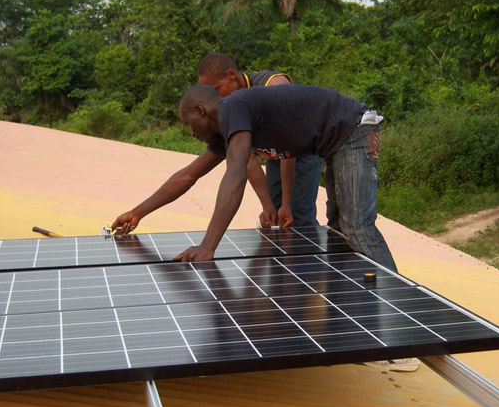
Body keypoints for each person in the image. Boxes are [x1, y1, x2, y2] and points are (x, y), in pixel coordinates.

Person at [112, 83, 398, 272]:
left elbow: (235, 175)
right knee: (338, 230)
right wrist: (137, 213)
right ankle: (354, 315)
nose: (190, 132)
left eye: (189, 123)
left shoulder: (233, 109)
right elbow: (188, 176)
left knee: (356, 228)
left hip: (354, 130)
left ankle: (401, 314)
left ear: (201, 110)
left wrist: (208, 246)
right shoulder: (227, 128)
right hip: (336, 142)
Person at [197, 53, 324, 227]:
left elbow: (289, 144)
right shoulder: (231, 107)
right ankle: (282, 252)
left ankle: (308, 252)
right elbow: (248, 158)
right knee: (275, 217)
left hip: (304, 148)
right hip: (275, 152)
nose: (217, 98)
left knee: (298, 214)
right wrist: (267, 205)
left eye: (217, 89)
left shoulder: (274, 86)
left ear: (231, 75)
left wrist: (287, 204)